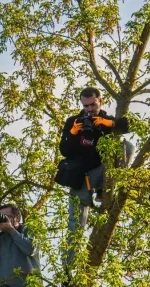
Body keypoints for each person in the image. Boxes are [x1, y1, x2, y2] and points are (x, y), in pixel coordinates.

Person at [57, 87, 130, 268]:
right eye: (85, 105)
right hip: (80, 180)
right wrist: (72, 133)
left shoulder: (105, 120)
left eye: (92, 104)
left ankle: (105, 189)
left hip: (100, 174)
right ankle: (67, 270)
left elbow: (128, 126)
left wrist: (110, 125)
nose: (89, 109)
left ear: (100, 101)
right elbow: (65, 151)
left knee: (127, 146)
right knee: (75, 228)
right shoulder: (74, 121)